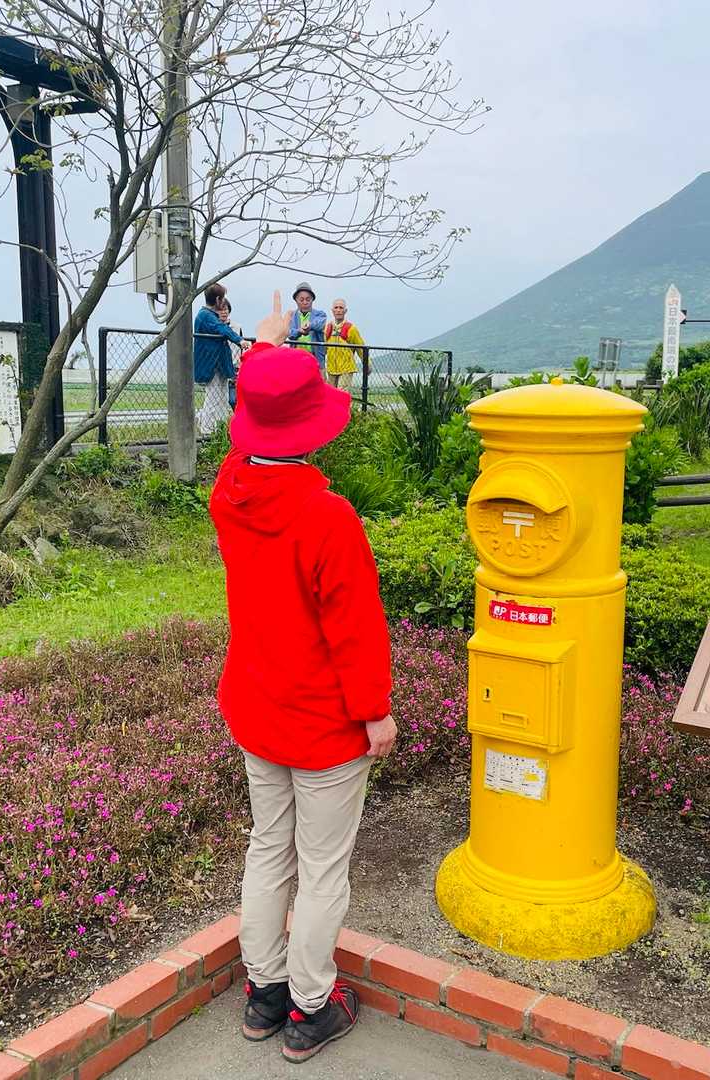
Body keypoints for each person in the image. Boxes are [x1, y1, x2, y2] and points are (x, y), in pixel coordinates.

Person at [210, 291, 396, 1064]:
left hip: (257, 709)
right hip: (324, 723)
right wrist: (375, 712)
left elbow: (247, 435)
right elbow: (356, 631)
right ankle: (312, 1007)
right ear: (314, 426)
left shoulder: (230, 492)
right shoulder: (328, 517)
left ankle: (264, 992)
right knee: (322, 869)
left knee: (268, 848)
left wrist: (262, 350)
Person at [194, 282, 243, 435]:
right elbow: (221, 328)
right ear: (217, 300)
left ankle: (219, 429)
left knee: (222, 397)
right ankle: (207, 431)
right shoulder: (206, 316)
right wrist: (240, 340)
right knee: (213, 398)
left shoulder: (208, 316)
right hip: (212, 364)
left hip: (218, 364)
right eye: (222, 298)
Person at [323, 299, 367, 393]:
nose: (338, 310)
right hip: (331, 367)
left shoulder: (351, 328)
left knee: (341, 393)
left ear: (345, 311)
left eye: (341, 308)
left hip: (346, 367)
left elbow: (361, 348)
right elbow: (323, 349)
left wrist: (366, 364)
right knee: (331, 393)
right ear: (332, 310)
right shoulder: (328, 328)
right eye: (336, 308)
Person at [286, 281, 327, 373]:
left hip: (315, 358)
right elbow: (290, 334)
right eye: (301, 300)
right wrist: (299, 331)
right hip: (297, 359)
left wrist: (310, 326)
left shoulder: (320, 314)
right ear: (296, 300)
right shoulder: (291, 316)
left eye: (308, 299)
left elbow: (320, 324)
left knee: (319, 381)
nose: (305, 302)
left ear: (312, 300)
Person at [217, 296, 245, 411]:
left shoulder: (237, 327)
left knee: (233, 399)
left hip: (234, 364)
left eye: (226, 309)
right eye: (221, 310)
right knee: (219, 396)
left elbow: (242, 346)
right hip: (219, 364)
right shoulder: (215, 327)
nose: (224, 312)